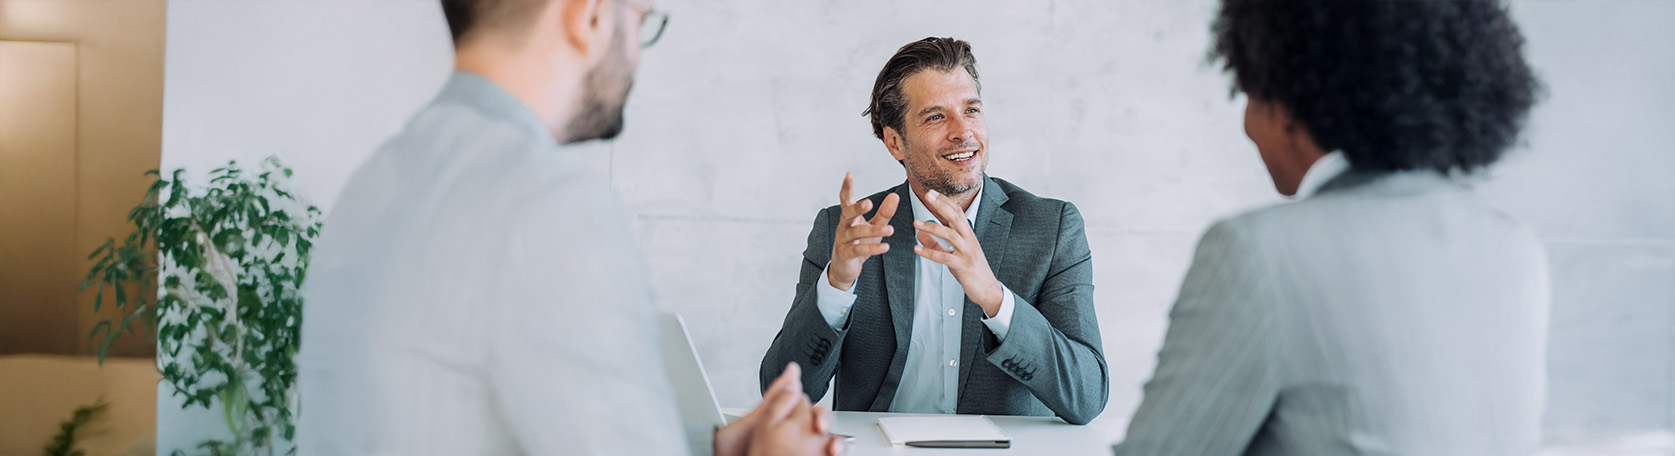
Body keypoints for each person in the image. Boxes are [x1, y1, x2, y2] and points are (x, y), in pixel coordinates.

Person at [297, 0, 840, 454]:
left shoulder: (374, 182)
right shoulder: (546, 199)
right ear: (591, 17)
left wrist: (712, 447)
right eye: (642, 19)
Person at [1115, 0, 1548, 454]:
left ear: (1288, 105)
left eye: (1250, 94)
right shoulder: (1513, 248)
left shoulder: (1255, 253)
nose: (1246, 125)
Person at [758, 37, 1108, 425]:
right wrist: (836, 284)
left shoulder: (1052, 228)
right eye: (936, 117)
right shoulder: (846, 232)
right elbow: (780, 391)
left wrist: (994, 298)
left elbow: (1087, 396)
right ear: (895, 142)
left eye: (971, 110)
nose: (963, 132)